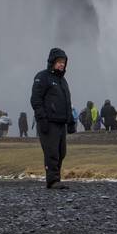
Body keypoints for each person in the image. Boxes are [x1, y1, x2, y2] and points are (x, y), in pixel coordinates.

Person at [30, 46, 76, 190]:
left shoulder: (62, 81)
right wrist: (42, 119)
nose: (62, 64)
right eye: (59, 61)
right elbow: (35, 100)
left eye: (63, 62)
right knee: (52, 152)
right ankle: (52, 180)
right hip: (49, 122)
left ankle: (56, 178)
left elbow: (67, 102)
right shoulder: (42, 77)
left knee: (61, 152)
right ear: (52, 62)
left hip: (61, 123)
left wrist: (70, 121)